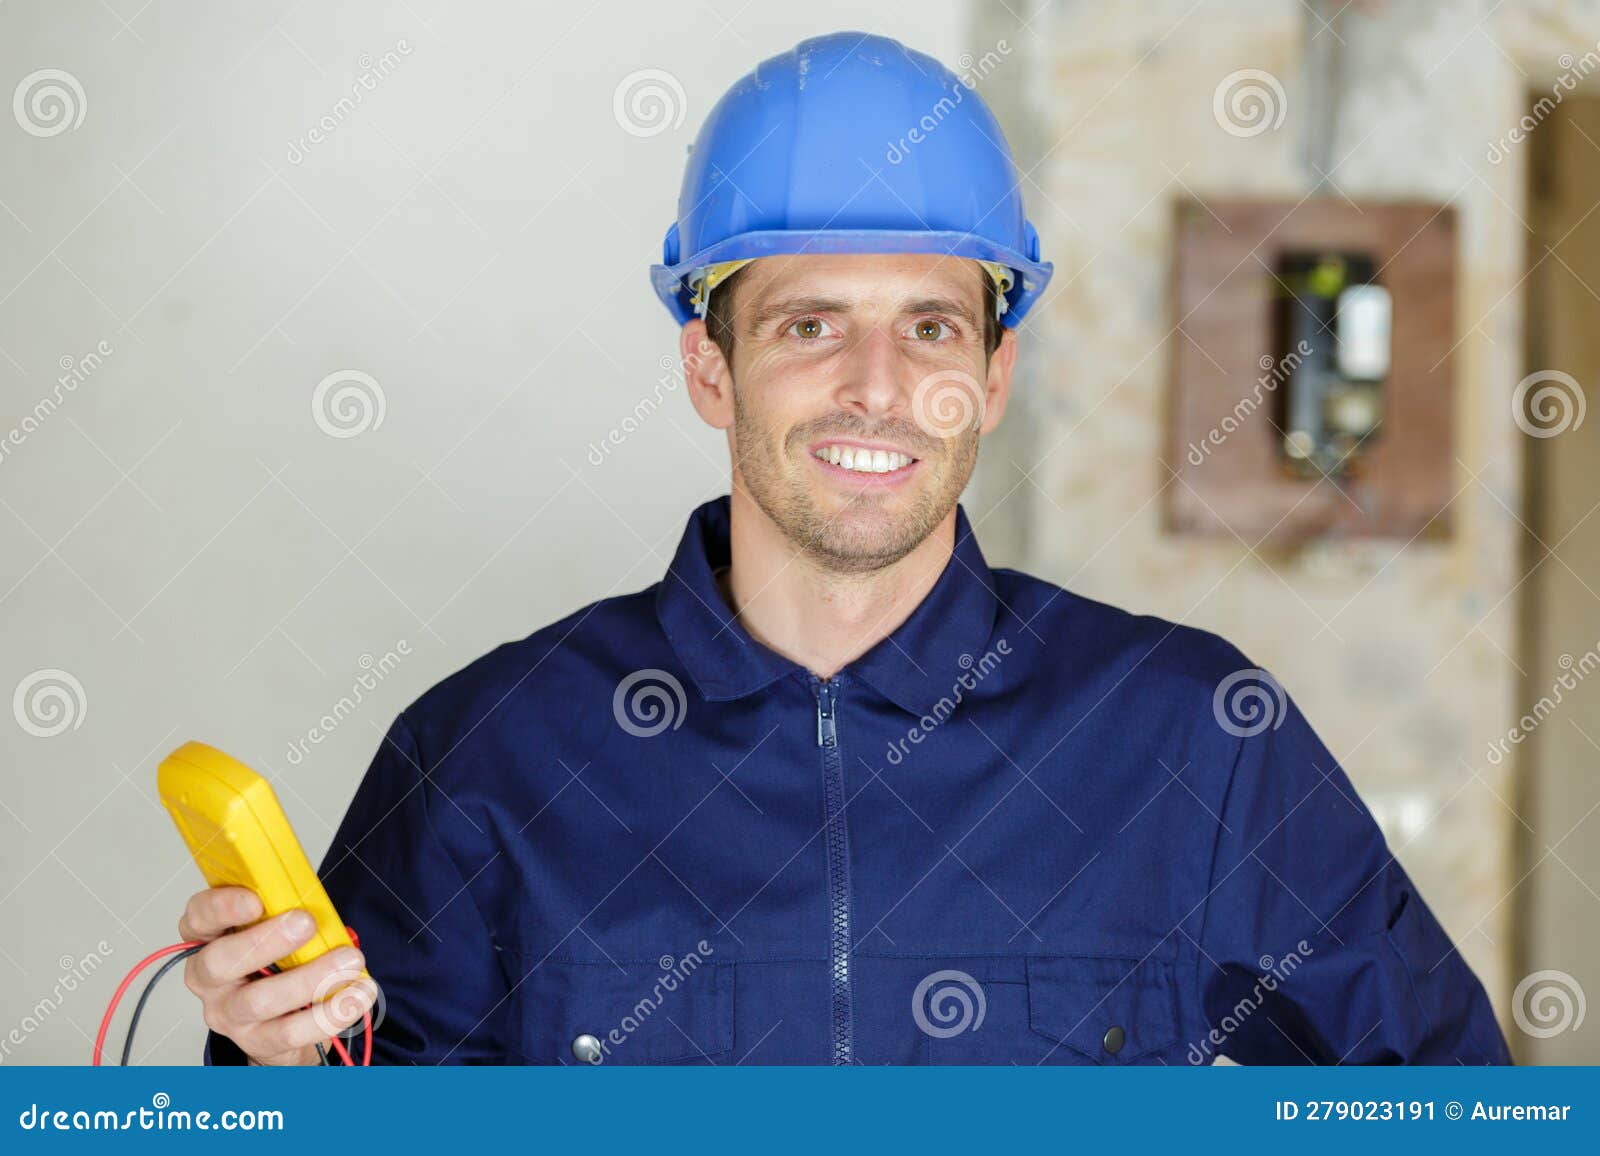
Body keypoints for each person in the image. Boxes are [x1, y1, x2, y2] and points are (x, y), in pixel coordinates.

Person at [180, 31, 1510, 1066]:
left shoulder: (1192, 741)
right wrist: (264, 1062)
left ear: (994, 377)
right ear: (712, 367)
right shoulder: (486, 758)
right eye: (812, 323)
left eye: (930, 325)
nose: (879, 386)